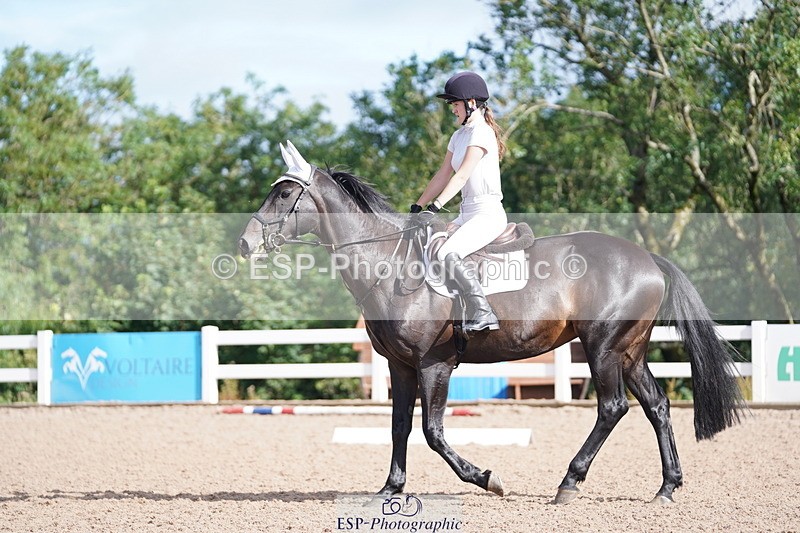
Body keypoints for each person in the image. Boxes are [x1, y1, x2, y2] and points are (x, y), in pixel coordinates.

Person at [410, 71, 507, 332]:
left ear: (471, 103)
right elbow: (443, 174)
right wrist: (418, 206)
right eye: (452, 105)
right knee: (430, 246)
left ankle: (484, 312)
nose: (452, 110)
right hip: (467, 213)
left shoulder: (482, 133)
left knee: (447, 253)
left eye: (455, 104)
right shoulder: (458, 136)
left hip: (488, 213)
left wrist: (435, 207)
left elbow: (463, 174)